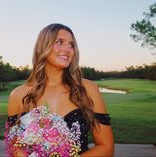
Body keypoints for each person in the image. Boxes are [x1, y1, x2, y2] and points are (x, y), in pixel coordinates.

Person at [7, 23, 114, 156]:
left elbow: (106, 147)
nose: (68, 49)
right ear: (43, 47)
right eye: (59, 42)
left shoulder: (88, 89)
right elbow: (13, 143)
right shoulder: (18, 95)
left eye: (71, 44)